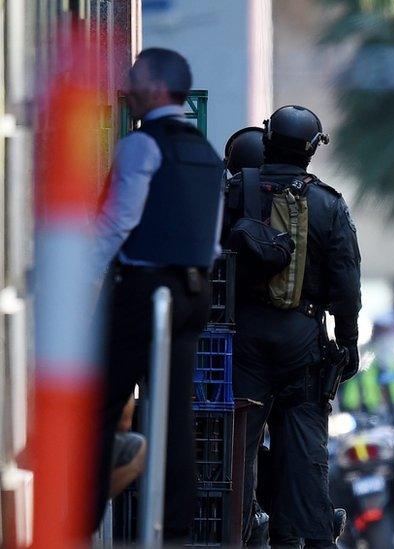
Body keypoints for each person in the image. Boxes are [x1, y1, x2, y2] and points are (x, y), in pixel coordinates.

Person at [91, 48, 224, 538]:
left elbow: (118, 221)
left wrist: (79, 276)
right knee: (173, 415)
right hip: (192, 293)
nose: (127, 88)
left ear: (157, 88)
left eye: (135, 79)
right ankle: (175, 531)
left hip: (146, 290)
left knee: (100, 403)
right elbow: (208, 240)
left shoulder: (142, 146)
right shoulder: (207, 155)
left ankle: (76, 519)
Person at [223, 105, 361, 548]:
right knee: (304, 450)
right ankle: (308, 538)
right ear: (311, 150)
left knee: (238, 448)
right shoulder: (328, 204)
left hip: (242, 337)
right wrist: (348, 344)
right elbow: (347, 287)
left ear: (267, 140)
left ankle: (238, 534)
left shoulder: (233, 192)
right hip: (303, 342)